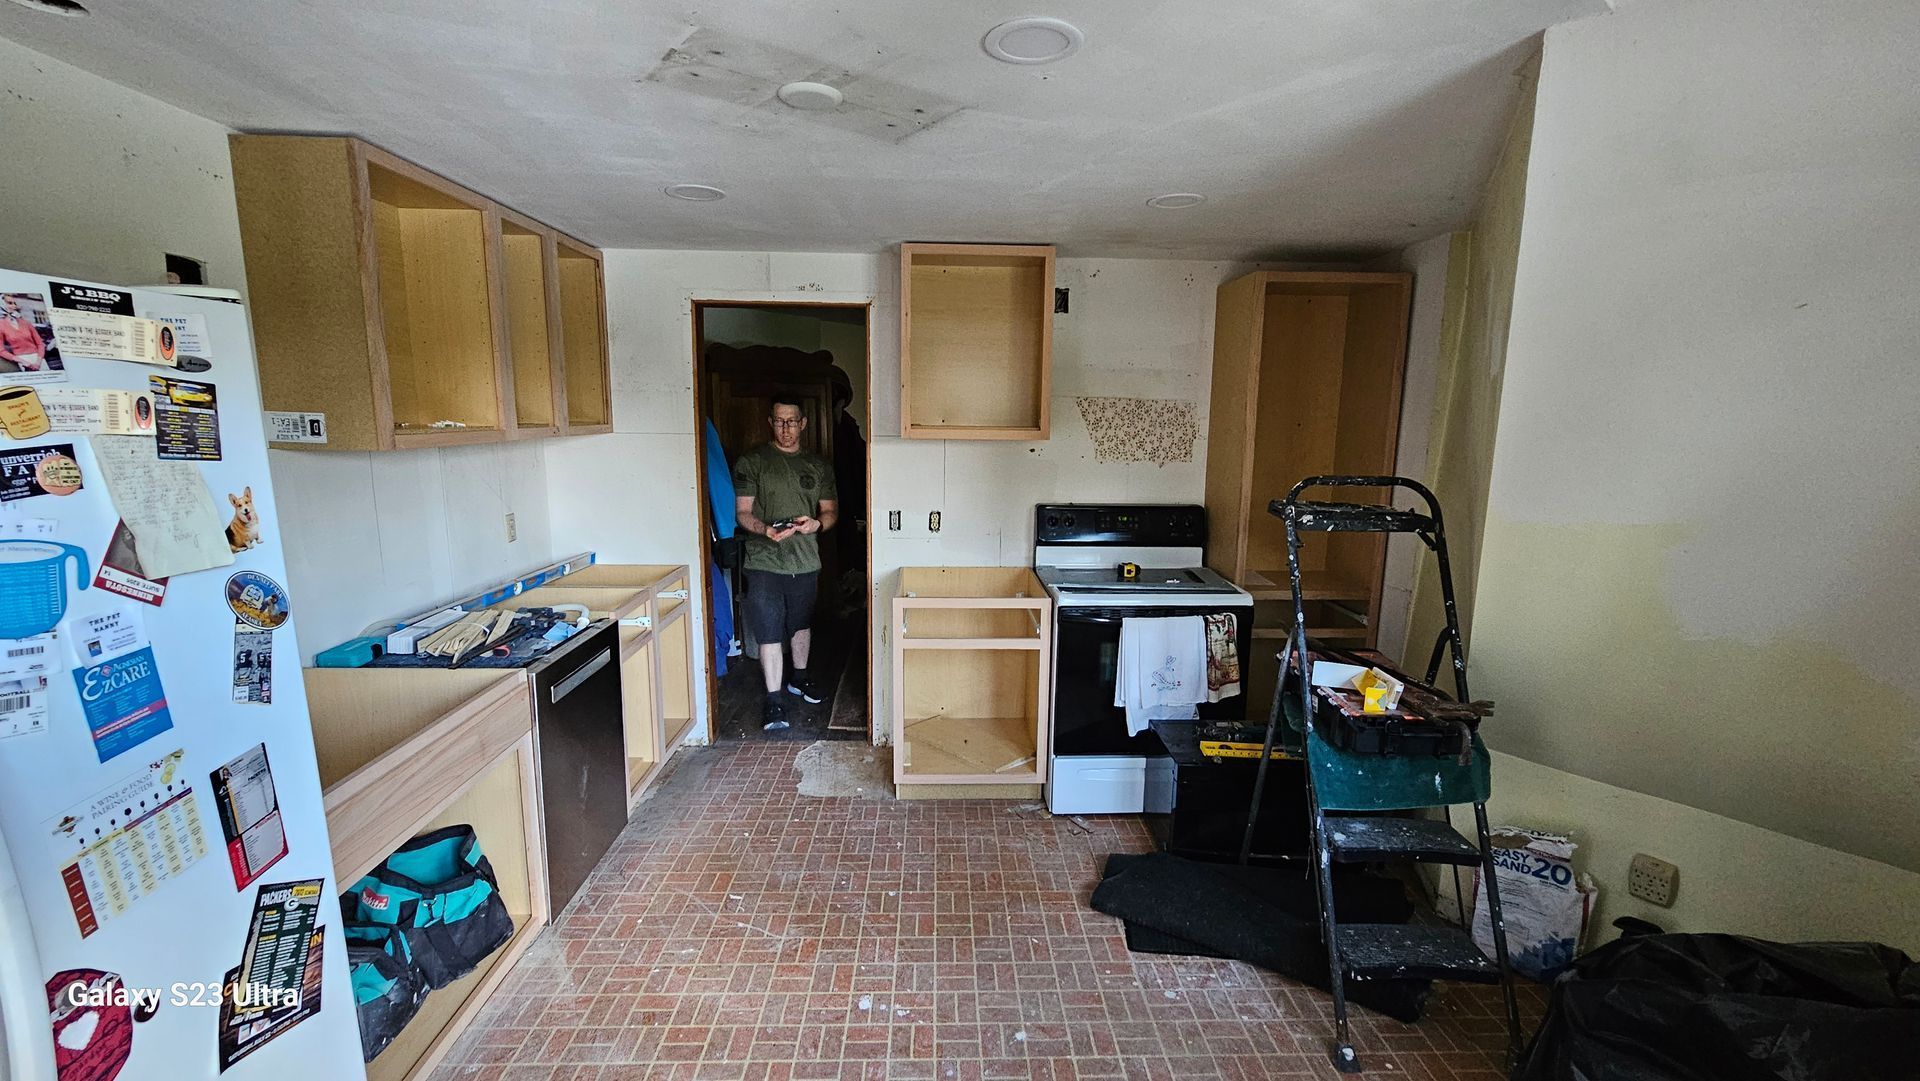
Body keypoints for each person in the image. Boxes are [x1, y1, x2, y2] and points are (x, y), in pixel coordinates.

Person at [734, 395, 837, 730]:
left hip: (805, 560)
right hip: (764, 560)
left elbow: (830, 512)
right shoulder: (753, 462)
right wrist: (765, 529)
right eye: (779, 421)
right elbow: (743, 514)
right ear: (770, 422)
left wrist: (816, 525)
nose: (786, 428)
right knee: (768, 629)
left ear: (803, 423)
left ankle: (800, 678)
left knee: (801, 623)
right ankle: (775, 700)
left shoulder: (819, 466)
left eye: (792, 421)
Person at [0, 295, 48, 373]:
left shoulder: (25, 323)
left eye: (15, 303)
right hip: (22, 361)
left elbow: (40, 344)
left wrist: (39, 361)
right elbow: (1, 351)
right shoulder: (1, 325)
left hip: (39, 359)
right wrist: (23, 362)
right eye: (10, 303)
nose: (14, 306)